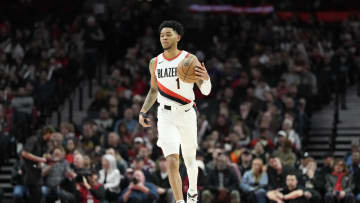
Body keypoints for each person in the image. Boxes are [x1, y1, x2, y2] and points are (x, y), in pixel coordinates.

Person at [138, 20, 212, 203]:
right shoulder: (154, 62)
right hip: (165, 115)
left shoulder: (189, 59)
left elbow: (205, 91)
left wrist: (207, 79)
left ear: (178, 37)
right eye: (162, 35)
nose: (164, 38)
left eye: (168, 34)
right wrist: (143, 110)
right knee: (171, 159)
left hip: (187, 113)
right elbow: (154, 90)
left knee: (189, 160)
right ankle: (179, 201)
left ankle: (192, 192)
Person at [21, 126, 54, 202]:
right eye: (51, 135)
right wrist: (40, 159)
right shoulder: (33, 140)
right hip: (29, 172)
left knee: (37, 197)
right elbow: (25, 153)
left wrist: (46, 158)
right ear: (47, 133)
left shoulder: (44, 143)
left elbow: (43, 155)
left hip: (37, 173)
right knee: (37, 196)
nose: (52, 137)